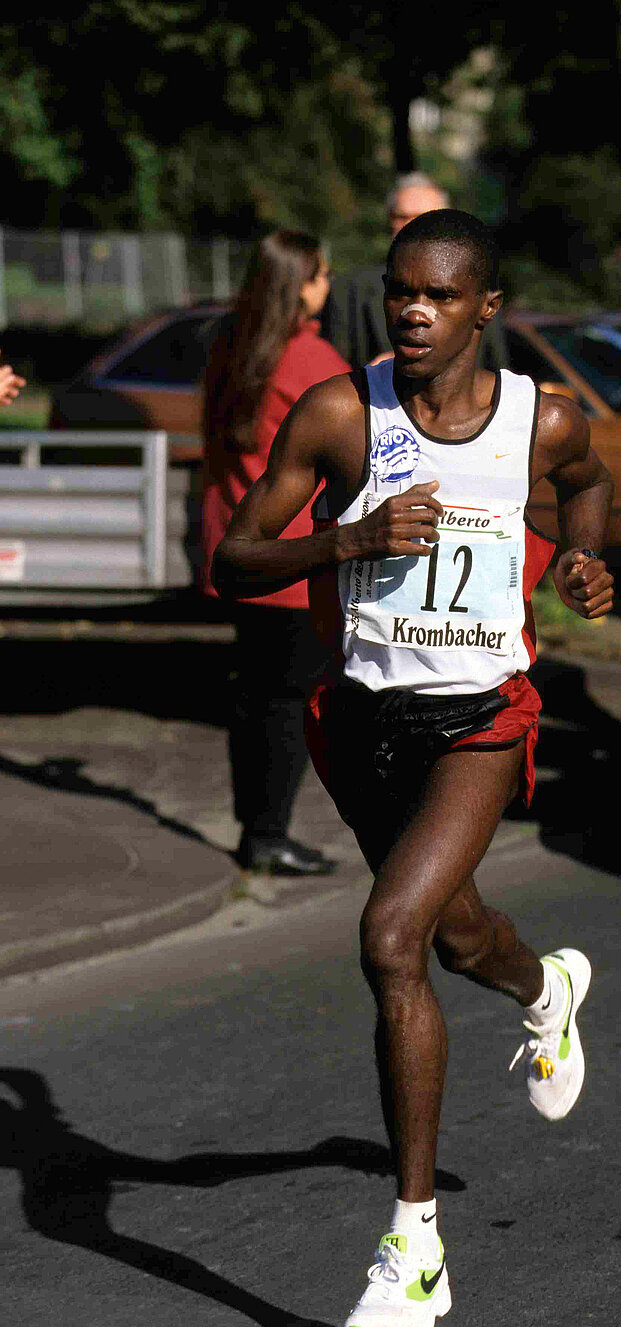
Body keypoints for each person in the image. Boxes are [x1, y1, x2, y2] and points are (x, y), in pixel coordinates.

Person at [213, 209, 614, 1327]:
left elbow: (587, 490)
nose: (415, 312)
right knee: (456, 933)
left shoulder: (544, 419)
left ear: (488, 309)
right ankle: (547, 993)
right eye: (400, 292)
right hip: (363, 722)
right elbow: (232, 560)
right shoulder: (344, 412)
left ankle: (415, 1244)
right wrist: (346, 540)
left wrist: (584, 562)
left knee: (391, 935)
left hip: (481, 719)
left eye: (440, 296)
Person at [202, 229, 349, 875]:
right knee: (289, 702)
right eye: (320, 275)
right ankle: (269, 833)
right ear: (299, 284)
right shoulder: (310, 358)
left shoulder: (228, 346)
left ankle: (253, 826)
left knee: (252, 694)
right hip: (292, 561)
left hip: (234, 549)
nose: (327, 285)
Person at [325, 172, 507, 372]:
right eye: (401, 216)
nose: (410, 225)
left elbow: (496, 367)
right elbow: (328, 371)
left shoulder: (477, 288)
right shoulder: (350, 289)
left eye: (423, 217)